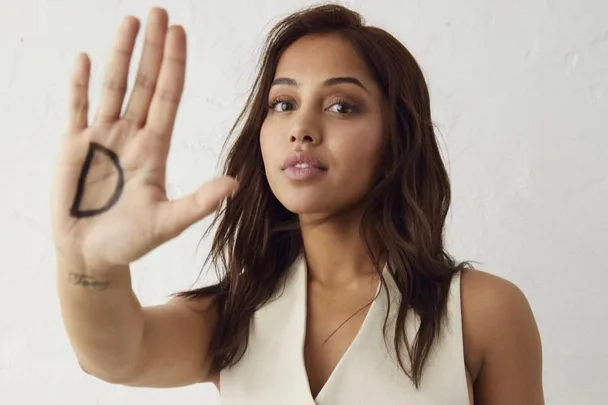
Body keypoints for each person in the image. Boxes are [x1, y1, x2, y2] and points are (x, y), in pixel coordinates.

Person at [51, 4, 544, 404]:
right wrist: (88, 263)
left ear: (398, 138)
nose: (301, 128)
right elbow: (114, 355)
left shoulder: (482, 312)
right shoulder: (234, 316)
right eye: (283, 104)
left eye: (341, 106)